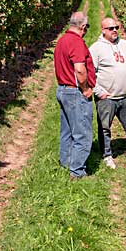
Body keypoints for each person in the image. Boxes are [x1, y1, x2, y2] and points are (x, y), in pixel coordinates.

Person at [89, 17, 126, 169]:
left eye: (116, 27)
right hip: (107, 98)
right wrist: (98, 91)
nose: (115, 30)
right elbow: (89, 73)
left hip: (125, 96)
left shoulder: (124, 44)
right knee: (105, 127)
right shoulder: (96, 48)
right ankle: (107, 155)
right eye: (111, 28)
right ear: (103, 30)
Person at [54, 11, 96, 180]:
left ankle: (66, 162)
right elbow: (79, 68)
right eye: (87, 28)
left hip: (62, 89)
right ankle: (77, 171)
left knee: (67, 131)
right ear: (83, 26)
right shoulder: (76, 42)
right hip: (74, 92)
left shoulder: (62, 40)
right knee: (82, 133)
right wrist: (85, 89)